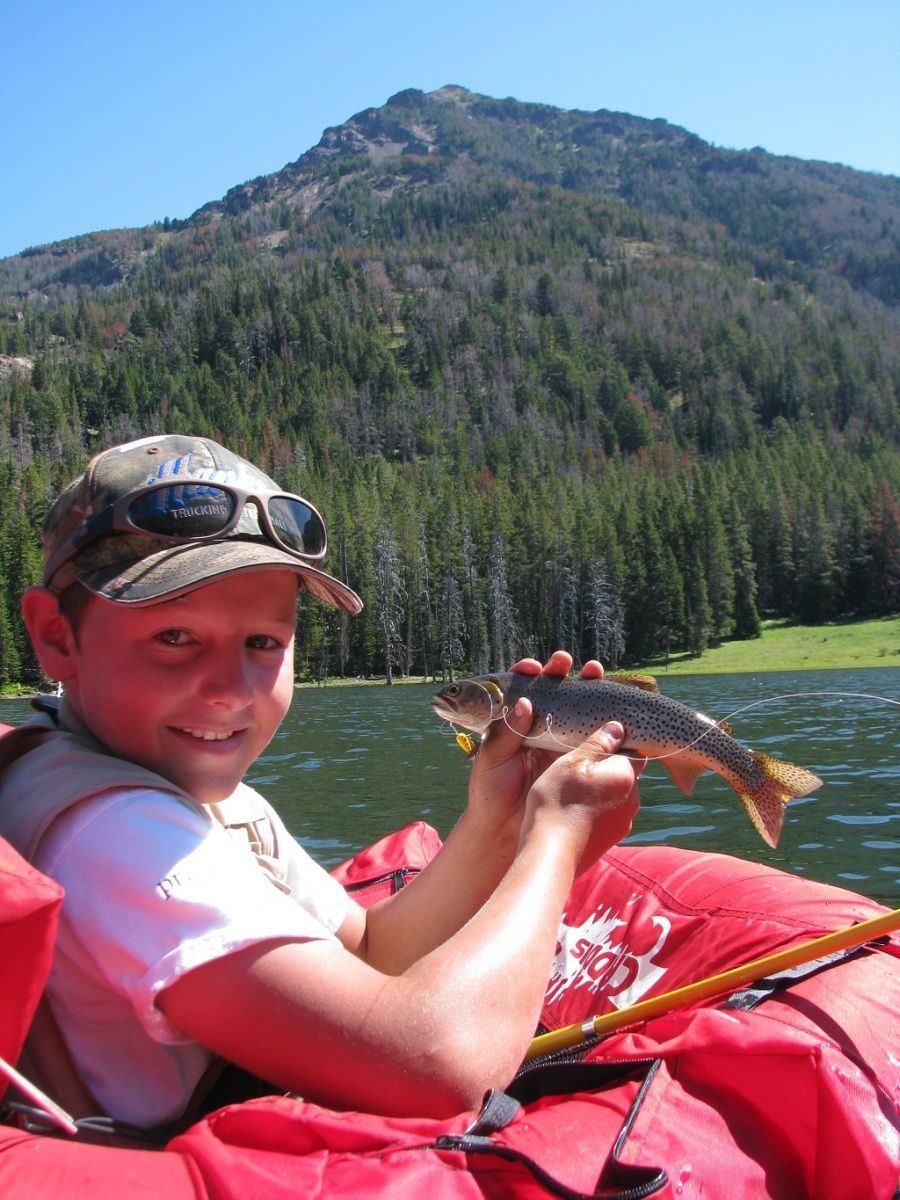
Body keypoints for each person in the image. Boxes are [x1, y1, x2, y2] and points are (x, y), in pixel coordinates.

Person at [0, 434, 640, 1132]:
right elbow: (441, 1068)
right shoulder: (115, 835)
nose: (230, 689)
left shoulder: (194, 793)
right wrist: (555, 843)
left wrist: (501, 821)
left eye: (262, 643)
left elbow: (370, 950)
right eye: (175, 638)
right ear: (55, 635)